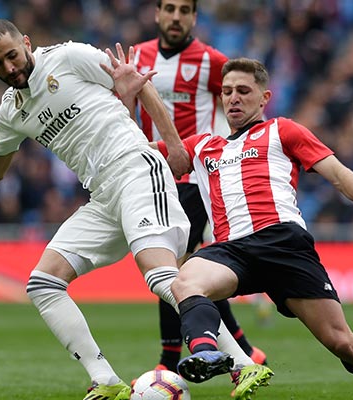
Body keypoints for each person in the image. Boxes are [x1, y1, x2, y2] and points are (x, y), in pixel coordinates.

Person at [0, 19, 196, 400]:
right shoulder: (11, 112)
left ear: (26, 43)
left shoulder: (69, 57)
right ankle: (105, 380)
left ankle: (239, 361)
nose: (9, 68)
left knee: (160, 276)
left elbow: (137, 81)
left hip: (136, 169)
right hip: (103, 196)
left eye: (12, 56)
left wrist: (174, 147)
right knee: (42, 283)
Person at [140, 58, 353, 399]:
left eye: (243, 91)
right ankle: (205, 352)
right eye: (227, 92)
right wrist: (141, 91)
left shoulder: (282, 130)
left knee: (343, 343)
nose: (233, 98)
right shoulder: (203, 146)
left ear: (264, 98)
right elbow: (155, 156)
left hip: (283, 243)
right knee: (185, 279)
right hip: (231, 251)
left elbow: (339, 174)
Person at [131, 0, 266, 373]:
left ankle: (168, 360)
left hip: (191, 178)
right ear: (157, 13)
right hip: (148, 176)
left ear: (194, 17)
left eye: (184, 10)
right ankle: (245, 350)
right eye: (169, 8)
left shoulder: (211, 61)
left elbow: (249, 100)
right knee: (188, 270)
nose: (176, 17)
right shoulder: (138, 56)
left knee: (171, 266)